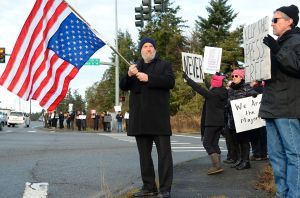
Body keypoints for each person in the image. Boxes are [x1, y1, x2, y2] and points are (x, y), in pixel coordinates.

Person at [120, 37, 175, 198]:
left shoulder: (164, 65)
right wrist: (129, 75)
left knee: (164, 156)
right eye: (145, 46)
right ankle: (149, 187)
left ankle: (165, 190)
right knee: (144, 157)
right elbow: (123, 85)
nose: (148, 48)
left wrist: (149, 78)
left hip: (159, 119)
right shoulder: (135, 67)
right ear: (141, 50)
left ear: (155, 49)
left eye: (151, 46)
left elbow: (170, 82)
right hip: (140, 120)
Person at [259, 5, 300, 198]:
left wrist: (277, 50)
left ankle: (294, 195)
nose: (272, 24)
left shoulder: (297, 41)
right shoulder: (277, 43)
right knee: (275, 156)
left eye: (276, 20)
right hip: (271, 106)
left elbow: (297, 67)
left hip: (288, 107)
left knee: (293, 155)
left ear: (289, 20)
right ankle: (281, 193)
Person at [183, 73, 228, 175]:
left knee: (207, 143)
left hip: (211, 122)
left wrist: (188, 79)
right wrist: (204, 80)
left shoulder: (212, 95)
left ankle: (216, 166)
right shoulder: (222, 93)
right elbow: (209, 88)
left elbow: (198, 89)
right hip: (220, 122)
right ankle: (218, 165)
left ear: (215, 84)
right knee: (214, 143)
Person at [226, 69, 258, 170]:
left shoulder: (247, 88)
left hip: (243, 121)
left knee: (244, 141)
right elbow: (228, 102)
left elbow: (255, 96)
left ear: (242, 77)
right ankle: (240, 159)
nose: (234, 78)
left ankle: (246, 161)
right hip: (232, 119)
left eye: (236, 76)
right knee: (236, 141)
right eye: (233, 76)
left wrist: (254, 94)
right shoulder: (231, 89)